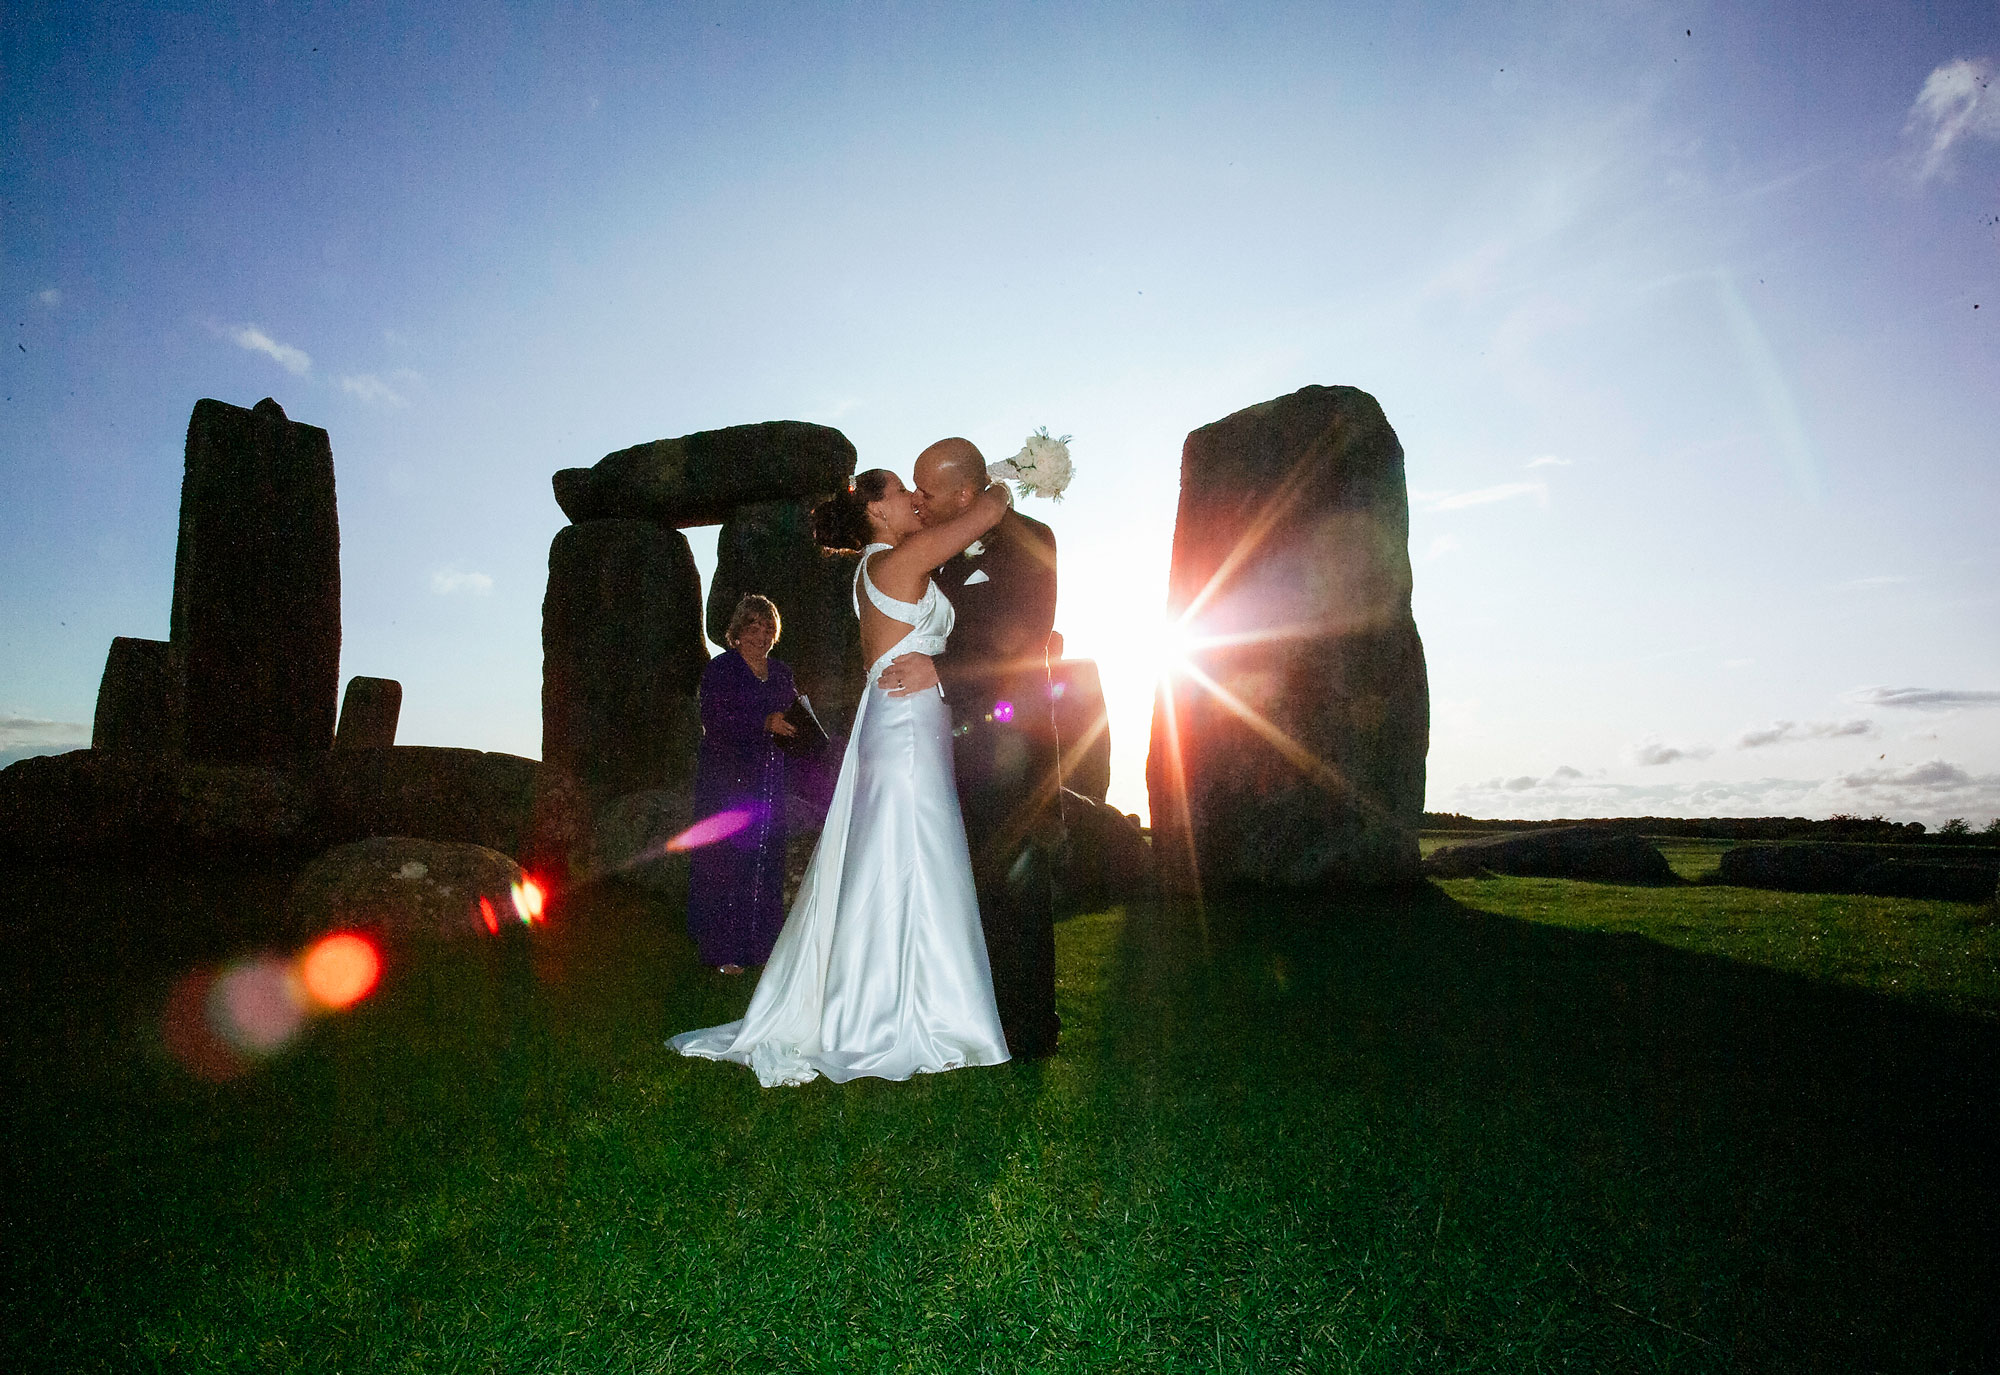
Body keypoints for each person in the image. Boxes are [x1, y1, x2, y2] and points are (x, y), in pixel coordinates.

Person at [668, 467, 1013, 1086]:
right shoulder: (895, 563)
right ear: (877, 513)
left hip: (910, 720)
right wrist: (1011, 478)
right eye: (907, 492)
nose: (918, 499)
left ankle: (916, 1000)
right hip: (904, 726)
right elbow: (987, 513)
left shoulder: (890, 564)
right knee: (907, 852)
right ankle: (888, 1014)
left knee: (909, 853)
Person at [891, 438, 1062, 1059]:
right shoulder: (935, 547)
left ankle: (1029, 1030)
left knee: (1017, 884)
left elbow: (1018, 638)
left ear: (965, 493)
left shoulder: (1032, 539)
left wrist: (937, 670)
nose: (917, 499)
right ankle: (977, 1016)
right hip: (955, 742)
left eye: (926, 490)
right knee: (971, 886)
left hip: (1014, 743)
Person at [686, 594, 799, 974]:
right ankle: (723, 952)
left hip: (770, 779)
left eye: (767, 628)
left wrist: (800, 722)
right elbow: (714, 719)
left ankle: (763, 949)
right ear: (737, 632)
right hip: (728, 778)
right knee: (727, 862)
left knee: (767, 860)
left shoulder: (782, 673)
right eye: (753, 627)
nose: (761, 635)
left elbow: (791, 720)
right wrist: (763, 722)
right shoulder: (721, 669)